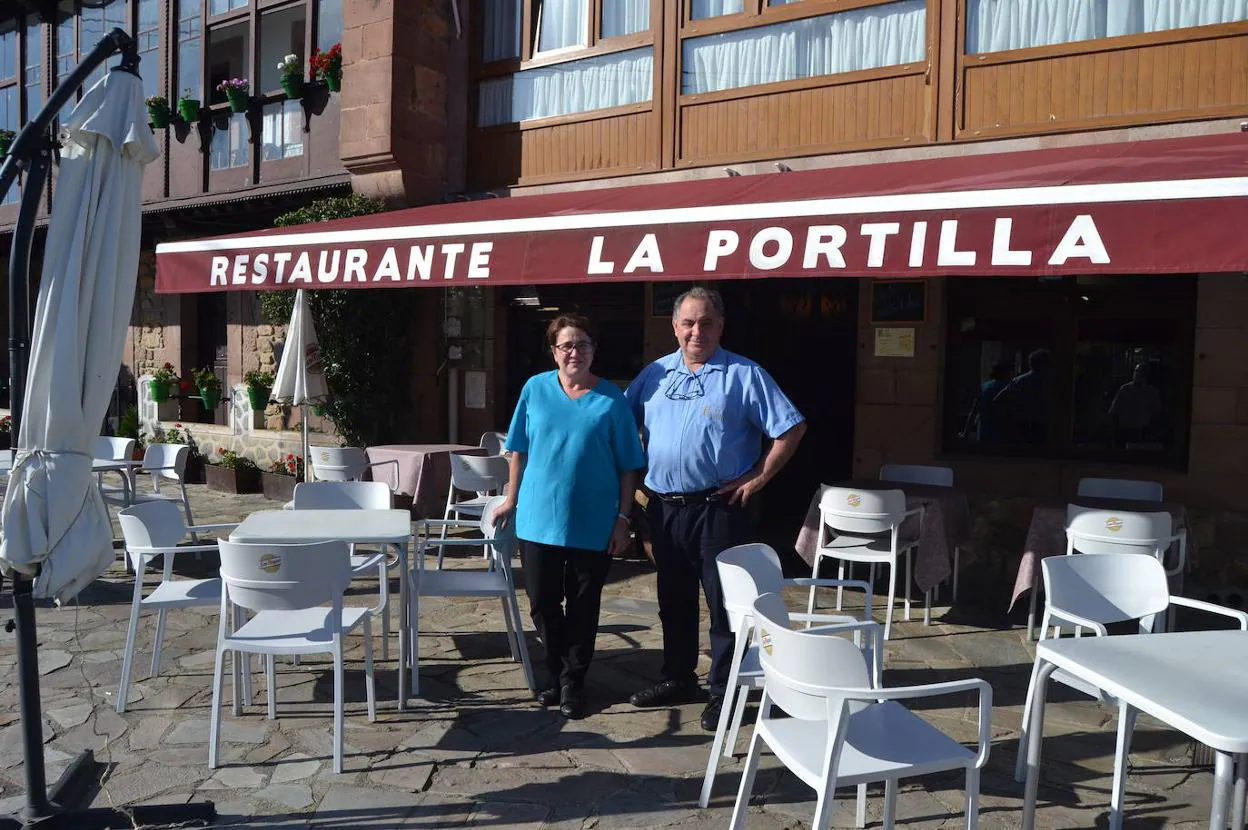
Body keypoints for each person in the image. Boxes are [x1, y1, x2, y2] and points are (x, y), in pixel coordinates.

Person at [624, 286, 806, 731]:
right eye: (688, 322)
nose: (696, 331)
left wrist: (759, 476)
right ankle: (678, 677)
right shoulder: (654, 375)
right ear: (674, 326)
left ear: (720, 326)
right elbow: (623, 430)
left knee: (725, 604)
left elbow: (791, 427)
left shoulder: (745, 374)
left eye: (706, 322)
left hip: (719, 507)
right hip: (666, 509)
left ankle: (724, 689)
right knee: (674, 598)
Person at [493, 313, 645, 720]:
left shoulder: (612, 398)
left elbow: (629, 464)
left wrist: (623, 519)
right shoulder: (535, 389)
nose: (574, 352)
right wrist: (511, 498)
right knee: (543, 602)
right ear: (554, 352)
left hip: (593, 521)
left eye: (582, 344)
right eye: (566, 345)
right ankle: (556, 669)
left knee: (582, 605)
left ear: (594, 350)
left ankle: (571, 683)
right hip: (539, 518)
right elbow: (518, 449)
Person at [1108, 362, 1162, 448]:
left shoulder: (1152, 392)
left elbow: (1157, 414)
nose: (1137, 374)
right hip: (1124, 431)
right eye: (1136, 371)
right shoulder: (1124, 390)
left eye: (1141, 372)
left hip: (1143, 433)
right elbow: (1114, 411)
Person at [960, 361, 1011, 444]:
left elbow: (973, 413)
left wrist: (965, 434)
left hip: (985, 434)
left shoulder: (984, 387)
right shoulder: (1008, 387)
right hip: (1004, 436)